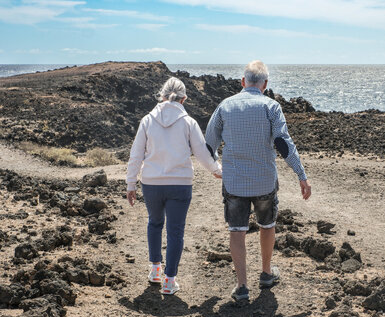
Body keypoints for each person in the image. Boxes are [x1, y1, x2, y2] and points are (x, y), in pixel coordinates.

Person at [205, 60, 311, 301]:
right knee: (267, 225)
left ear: (243, 82)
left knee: (237, 231)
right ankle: (265, 273)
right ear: (265, 84)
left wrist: (214, 166)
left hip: (234, 183)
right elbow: (283, 144)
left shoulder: (225, 106)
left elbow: (209, 143)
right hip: (264, 181)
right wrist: (301, 175)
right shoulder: (271, 107)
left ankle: (242, 286)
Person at [126, 77, 222, 295]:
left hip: (151, 184)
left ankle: (155, 270)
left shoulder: (147, 120)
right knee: (175, 231)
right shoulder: (189, 123)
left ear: (161, 96)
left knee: (154, 223)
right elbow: (202, 154)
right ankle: (169, 281)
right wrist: (217, 171)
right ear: (184, 99)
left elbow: (136, 155)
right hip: (180, 185)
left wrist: (131, 183)